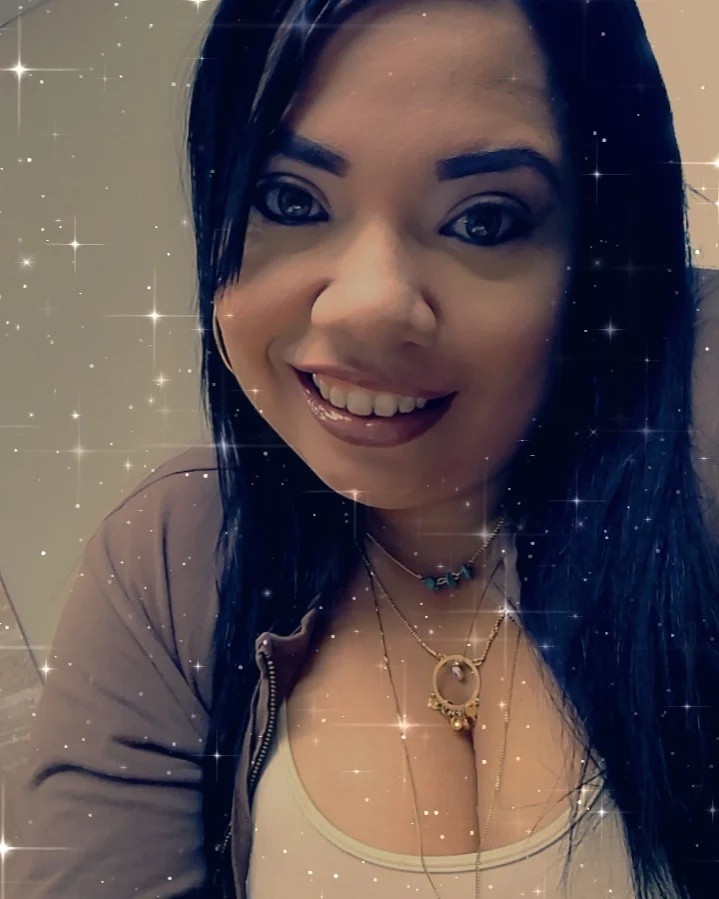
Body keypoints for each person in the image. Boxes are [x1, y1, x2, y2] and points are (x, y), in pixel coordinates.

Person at [8, 0, 719, 897]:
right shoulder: (167, 559)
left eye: (485, 220)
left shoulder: (691, 433)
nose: (366, 307)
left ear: (599, 246)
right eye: (289, 200)